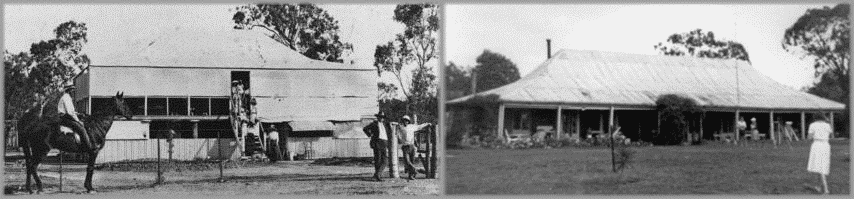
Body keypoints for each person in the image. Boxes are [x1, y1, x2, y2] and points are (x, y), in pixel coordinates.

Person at [57, 84, 96, 150]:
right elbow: (70, 112)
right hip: (65, 118)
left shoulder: (67, 98)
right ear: (69, 91)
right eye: (73, 90)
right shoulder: (66, 98)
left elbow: (71, 111)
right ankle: (89, 146)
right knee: (81, 128)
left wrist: (79, 114)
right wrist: (78, 121)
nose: (74, 92)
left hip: (66, 116)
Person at [397, 115, 432, 180]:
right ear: (403, 121)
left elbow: (419, 126)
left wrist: (427, 124)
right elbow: (397, 134)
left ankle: (411, 176)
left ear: (408, 121)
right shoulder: (400, 127)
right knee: (407, 162)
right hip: (405, 147)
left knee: (412, 161)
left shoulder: (412, 127)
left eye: (407, 121)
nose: (406, 122)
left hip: (411, 146)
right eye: (404, 120)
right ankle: (415, 170)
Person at [807, 113, 832, 194]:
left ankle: (826, 189)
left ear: (815, 118)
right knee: (821, 166)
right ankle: (818, 187)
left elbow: (809, 137)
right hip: (826, 145)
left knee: (819, 167)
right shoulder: (827, 125)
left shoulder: (813, 125)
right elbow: (830, 134)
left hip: (817, 145)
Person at [363, 111, 392, 181]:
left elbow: (390, 132)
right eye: (380, 117)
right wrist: (370, 135)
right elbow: (365, 129)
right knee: (378, 160)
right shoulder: (374, 124)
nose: (381, 119)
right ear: (378, 117)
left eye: (382, 117)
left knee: (385, 161)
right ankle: (378, 176)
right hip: (377, 142)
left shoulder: (386, 124)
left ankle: (377, 174)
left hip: (384, 142)